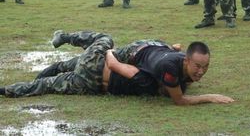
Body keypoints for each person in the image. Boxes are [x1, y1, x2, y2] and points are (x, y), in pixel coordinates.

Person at [0, 30, 234, 105]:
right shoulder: (157, 73)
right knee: (47, 83)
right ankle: (7, 90)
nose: (201, 71)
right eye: (197, 66)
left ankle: (64, 40)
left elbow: (114, 64)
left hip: (96, 69)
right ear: (185, 60)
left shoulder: (152, 74)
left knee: (103, 41)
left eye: (205, 67)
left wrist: (109, 51)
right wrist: (210, 97)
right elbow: (179, 99)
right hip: (93, 79)